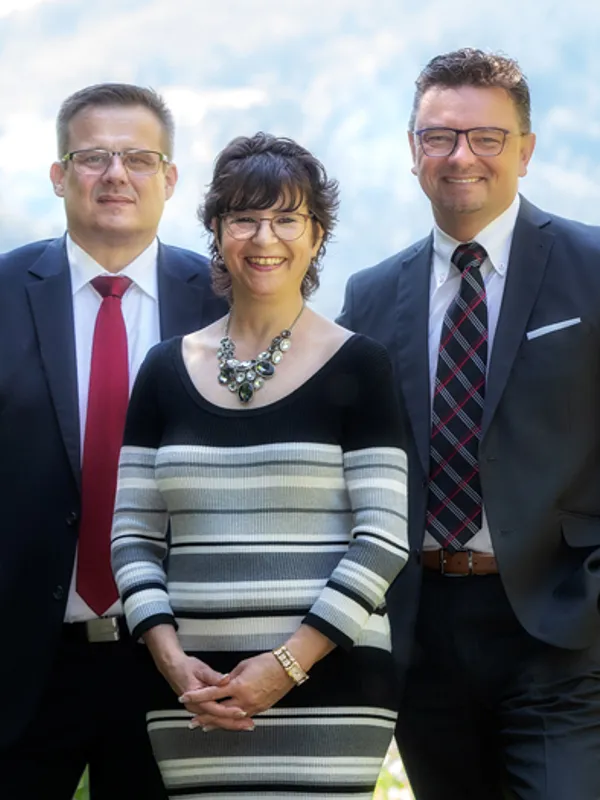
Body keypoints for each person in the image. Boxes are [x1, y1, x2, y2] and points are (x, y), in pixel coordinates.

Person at [109, 131, 409, 798]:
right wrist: (171, 662)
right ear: (217, 232)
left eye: (286, 218)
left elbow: (383, 540)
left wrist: (284, 666)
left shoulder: (360, 364)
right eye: (243, 216)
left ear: (317, 235)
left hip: (331, 688)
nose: (263, 236)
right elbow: (131, 534)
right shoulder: (163, 369)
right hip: (193, 694)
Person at [338, 48, 600, 800]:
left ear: (526, 150)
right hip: (422, 632)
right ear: (412, 150)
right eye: (439, 137)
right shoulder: (373, 292)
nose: (461, 157)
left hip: (562, 628)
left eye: (486, 137)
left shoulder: (591, 265)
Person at [0, 83, 227, 800]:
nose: (115, 175)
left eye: (137, 157)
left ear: (170, 178)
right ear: (59, 175)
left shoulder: (226, 300)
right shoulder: (5, 293)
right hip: (22, 662)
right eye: (93, 157)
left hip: (182, 660)